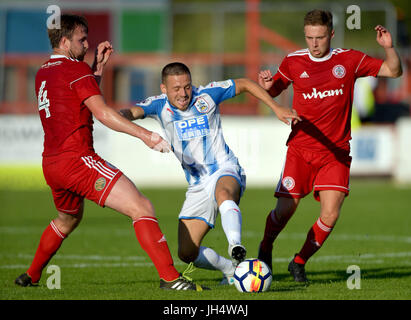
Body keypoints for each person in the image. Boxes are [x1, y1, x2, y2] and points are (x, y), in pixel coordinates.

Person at [14, 14, 206, 291]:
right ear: (65, 40)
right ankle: (170, 279)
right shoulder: (74, 69)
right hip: (77, 161)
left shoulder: (44, 71)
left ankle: (31, 275)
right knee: (141, 207)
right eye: (82, 39)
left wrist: (96, 69)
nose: (87, 43)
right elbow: (102, 113)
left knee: (67, 220)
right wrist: (146, 135)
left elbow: (76, 100)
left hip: (52, 164)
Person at [120, 62, 300, 284]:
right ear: (164, 88)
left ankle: (235, 244)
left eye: (187, 86)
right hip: (197, 184)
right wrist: (113, 117)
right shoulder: (157, 106)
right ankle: (231, 269)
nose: (183, 93)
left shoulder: (206, 95)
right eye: (176, 89)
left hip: (225, 168)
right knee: (186, 253)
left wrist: (276, 107)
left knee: (223, 193)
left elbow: (244, 83)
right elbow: (130, 112)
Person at [257, 9, 402, 282]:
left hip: (335, 152)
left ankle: (299, 262)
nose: (314, 43)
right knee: (286, 209)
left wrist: (389, 48)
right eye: (310, 37)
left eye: (320, 37)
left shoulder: (349, 60)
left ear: (331, 34)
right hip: (300, 150)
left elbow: (393, 71)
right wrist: (266, 85)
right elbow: (274, 90)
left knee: (331, 214)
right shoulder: (293, 61)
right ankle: (265, 247)